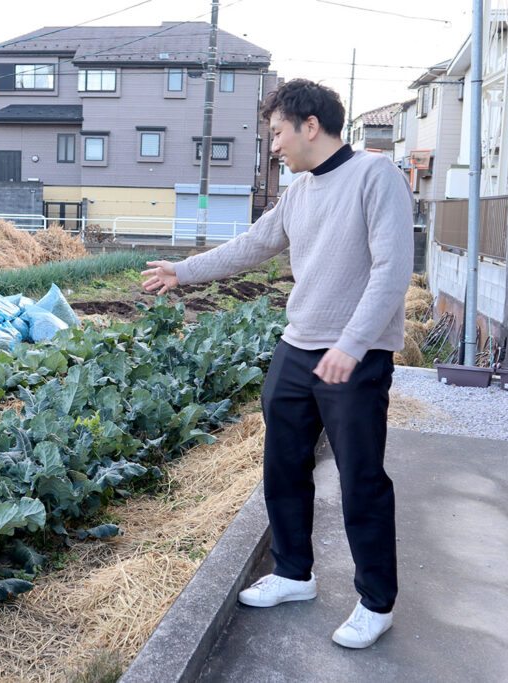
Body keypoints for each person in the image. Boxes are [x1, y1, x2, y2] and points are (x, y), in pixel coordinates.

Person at [141, 79, 413, 649]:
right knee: (282, 468)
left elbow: (391, 270)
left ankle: (376, 602)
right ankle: (294, 574)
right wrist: (181, 272)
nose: (273, 146)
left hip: (352, 358)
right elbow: (251, 245)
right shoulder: (298, 192)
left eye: (277, 132)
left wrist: (354, 343)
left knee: (361, 480)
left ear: (309, 125)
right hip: (297, 349)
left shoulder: (375, 175)